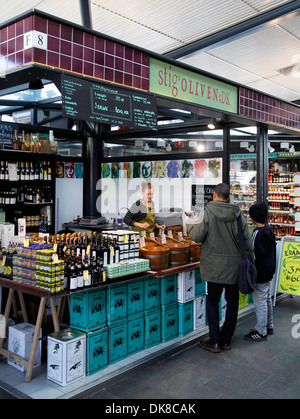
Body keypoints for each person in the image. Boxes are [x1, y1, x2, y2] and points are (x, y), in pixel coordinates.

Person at [188, 183, 254, 353]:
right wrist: (251, 262)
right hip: (234, 268)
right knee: (232, 303)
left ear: (215, 195)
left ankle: (215, 341)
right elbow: (247, 242)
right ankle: (226, 339)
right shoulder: (238, 215)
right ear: (228, 196)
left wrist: (189, 224)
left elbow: (196, 236)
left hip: (213, 267)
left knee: (212, 302)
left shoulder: (207, 212)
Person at [244, 202, 276, 342]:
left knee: (260, 301)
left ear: (253, 218)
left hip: (261, 272)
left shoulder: (257, 233)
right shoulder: (268, 230)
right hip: (268, 270)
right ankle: (269, 325)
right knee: (266, 298)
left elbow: (254, 254)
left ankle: (261, 331)